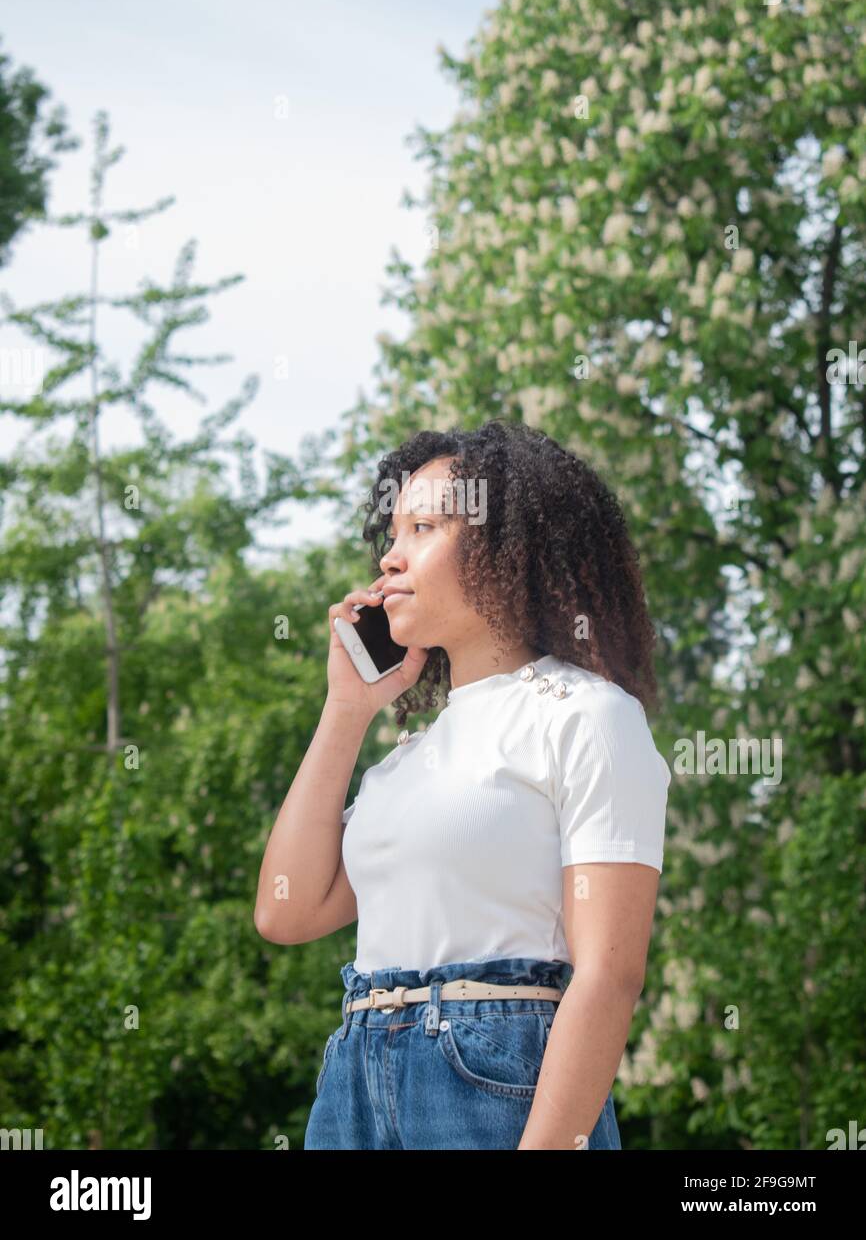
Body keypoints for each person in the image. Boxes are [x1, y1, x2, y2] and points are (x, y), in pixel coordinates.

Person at [255, 419, 671, 1149]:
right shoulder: (406, 760)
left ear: (506, 549)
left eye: (422, 527)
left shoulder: (588, 716)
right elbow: (286, 913)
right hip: (354, 1078)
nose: (391, 555)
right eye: (392, 531)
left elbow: (608, 973)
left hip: (492, 1080)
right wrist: (346, 711)